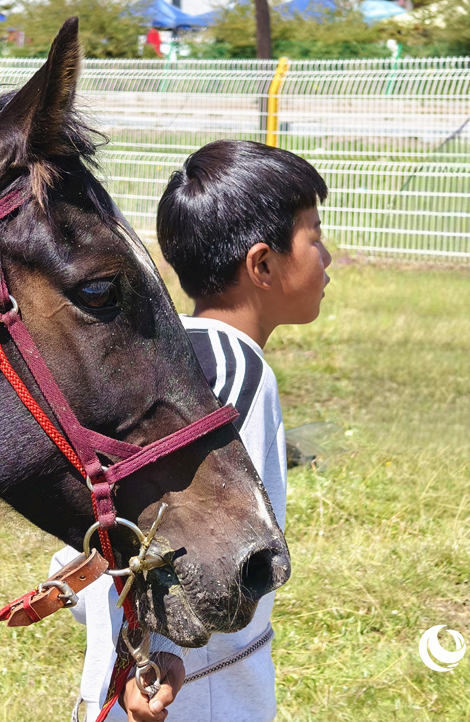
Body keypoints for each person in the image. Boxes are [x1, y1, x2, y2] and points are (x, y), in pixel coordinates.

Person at [51, 139, 331, 722]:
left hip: (130, 681)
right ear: (262, 264)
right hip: (190, 693)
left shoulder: (154, 355)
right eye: (314, 234)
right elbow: (176, 529)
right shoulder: (230, 372)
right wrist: (157, 658)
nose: (327, 256)